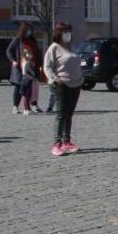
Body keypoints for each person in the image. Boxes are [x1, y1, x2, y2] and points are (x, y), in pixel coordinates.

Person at [43, 22, 83, 156]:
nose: (68, 34)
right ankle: (57, 143)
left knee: (69, 113)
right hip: (61, 85)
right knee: (61, 114)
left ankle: (67, 141)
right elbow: (47, 67)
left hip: (75, 84)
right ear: (59, 33)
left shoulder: (71, 47)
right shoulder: (54, 48)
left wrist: (80, 77)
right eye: (66, 31)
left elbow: (76, 62)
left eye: (69, 31)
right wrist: (55, 79)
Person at [7, 23, 42, 114]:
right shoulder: (18, 40)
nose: (29, 32)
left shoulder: (33, 40)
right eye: (27, 30)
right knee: (19, 86)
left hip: (32, 66)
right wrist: (13, 61)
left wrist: (40, 64)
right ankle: (15, 106)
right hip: (20, 68)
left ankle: (34, 105)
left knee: (33, 86)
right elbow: (9, 50)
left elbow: (37, 52)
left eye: (30, 30)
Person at [19, 50, 38, 116]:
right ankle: (26, 109)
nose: (30, 55)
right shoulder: (27, 62)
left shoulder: (26, 62)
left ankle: (27, 109)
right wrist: (33, 77)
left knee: (27, 95)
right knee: (27, 95)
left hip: (26, 79)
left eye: (31, 53)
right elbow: (28, 72)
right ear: (25, 55)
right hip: (27, 80)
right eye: (28, 54)